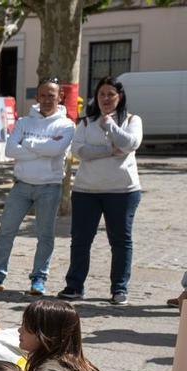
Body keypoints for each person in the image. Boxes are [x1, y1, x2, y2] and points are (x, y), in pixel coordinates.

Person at [0, 77, 75, 296]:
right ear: (37, 97)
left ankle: (39, 278)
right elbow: (10, 150)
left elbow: (56, 150)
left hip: (49, 186)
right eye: (43, 95)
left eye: (52, 95)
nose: (47, 99)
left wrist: (27, 144)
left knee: (44, 235)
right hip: (21, 186)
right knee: (5, 231)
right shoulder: (23, 122)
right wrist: (43, 148)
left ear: (60, 97)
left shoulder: (66, 125)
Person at [59, 76, 144, 306]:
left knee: (120, 241)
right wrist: (109, 149)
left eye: (111, 94)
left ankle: (119, 288)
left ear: (120, 96)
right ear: (96, 98)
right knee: (80, 240)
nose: (106, 99)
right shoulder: (86, 123)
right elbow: (78, 151)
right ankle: (75, 286)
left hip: (122, 191)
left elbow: (130, 143)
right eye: (101, 94)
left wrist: (111, 126)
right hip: (86, 191)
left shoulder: (132, 120)